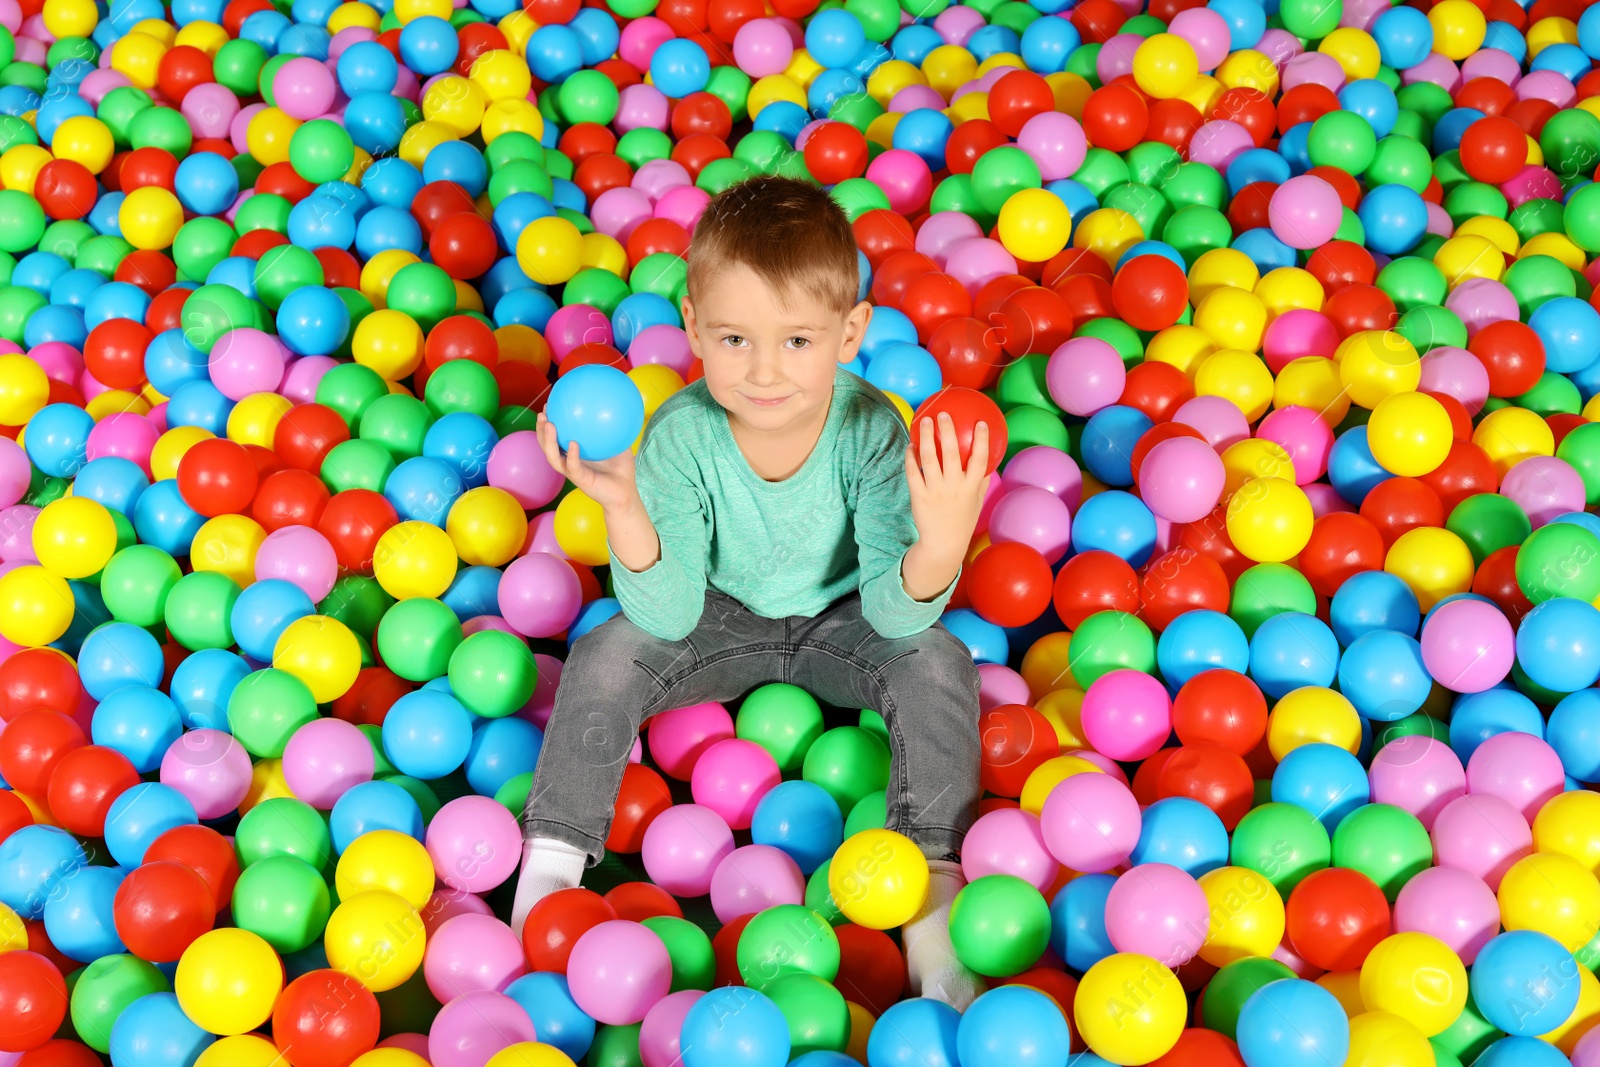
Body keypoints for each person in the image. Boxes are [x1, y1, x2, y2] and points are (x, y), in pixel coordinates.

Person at [512, 174, 991, 1007]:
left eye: (797, 342)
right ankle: (550, 865)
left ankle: (932, 888)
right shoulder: (681, 435)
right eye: (735, 340)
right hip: (717, 615)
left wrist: (943, 539)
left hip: (850, 617)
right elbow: (664, 611)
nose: (765, 372)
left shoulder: (873, 430)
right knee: (605, 650)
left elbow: (890, 610)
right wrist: (622, 503)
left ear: (851, 333)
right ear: (694, 327)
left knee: (938, 660)